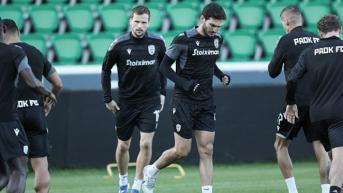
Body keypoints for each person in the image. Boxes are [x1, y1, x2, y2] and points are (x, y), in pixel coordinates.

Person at [142, 3, 230, 193]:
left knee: (207, 149)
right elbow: (163, 67)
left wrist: (221, 75)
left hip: (206, 101)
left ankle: (207, 191)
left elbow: (209, 64)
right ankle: (151, 170)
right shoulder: (183, 39)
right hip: (184, 101)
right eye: (212, 25)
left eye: (219, 27)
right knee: (182, 151)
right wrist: (186, 84)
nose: (215, 30)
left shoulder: (218, 40)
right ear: (202, 19)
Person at [101, 5, 166, 193]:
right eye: (136, 21)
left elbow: (164, 67)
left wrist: (163, 93)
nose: (139, 25)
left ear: (148, 23)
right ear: (131, 21)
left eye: (143, 22)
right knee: (123, 146)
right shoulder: (119, 44)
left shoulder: (158, 42)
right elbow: (105, 69)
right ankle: (123, 182)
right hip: (126, 103)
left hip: (150, 102)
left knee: (145, 143)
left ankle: (138, 184)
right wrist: (107, 98)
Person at [268, 5, 330, 193]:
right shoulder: (317, 38)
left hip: (294, 103)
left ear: (286, 22)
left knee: (280, 145)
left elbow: (272, 72)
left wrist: (278, 47)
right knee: (321, 148)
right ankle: (327, 190)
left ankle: (293, 191)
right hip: (319, 102)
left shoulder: (286, 40)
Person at [3, 19, 63, 193]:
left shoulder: (5, 53)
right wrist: (48, 103)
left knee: (15, 170)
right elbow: (58, 83)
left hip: (11, 117)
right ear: (19, 32)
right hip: (35, 113)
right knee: (41, 164)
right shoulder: (36, 52)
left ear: (4, 31)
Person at [286, 14, 343, 193]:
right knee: (340, 158)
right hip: (339, 113)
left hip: (317, 115)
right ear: (339, 29)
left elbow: (292, 79)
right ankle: (333, 189)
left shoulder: (309, 52)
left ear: (320, 32)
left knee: (335, 159)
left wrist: (290, 102)